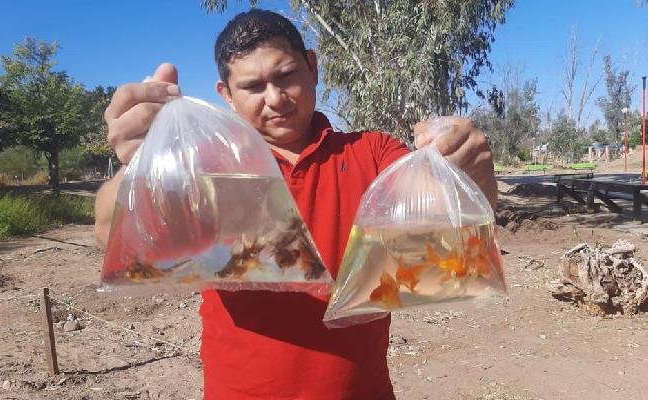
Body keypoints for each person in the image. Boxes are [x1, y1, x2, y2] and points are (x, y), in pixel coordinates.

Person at [94, 9, 496, 400]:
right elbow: (111, 232)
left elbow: (454, 231)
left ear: (312, 67)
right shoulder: (208, 168)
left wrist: (471, 172)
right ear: (226, 95)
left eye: (286, 76)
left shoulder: (373, 154)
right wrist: (140, 165)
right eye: (253, 87)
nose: (275, 98)